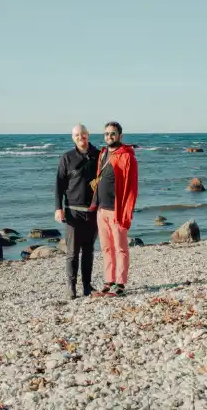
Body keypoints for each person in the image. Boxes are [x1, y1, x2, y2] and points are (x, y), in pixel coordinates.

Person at [91, 121, 138, 297]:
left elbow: (132, 187)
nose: (109, 137)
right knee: (106, 248)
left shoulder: (127, 157)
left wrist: (127, 211)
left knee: (120, 248)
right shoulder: (103, 153)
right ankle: (108, 280)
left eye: (113, 133)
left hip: (117, 210)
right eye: (106, 134)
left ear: (120, 136)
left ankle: (120, 284)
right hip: (101, 209)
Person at [54, 124, 101, 299]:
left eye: (83, 134)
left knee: (89, 251)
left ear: (88, 135)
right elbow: (59, 184)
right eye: (77, 135)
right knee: (72, 252)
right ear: (73, 138)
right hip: (73, 212)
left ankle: (87, 286)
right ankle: (71, 288)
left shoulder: (98, 155)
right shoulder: (67, 158)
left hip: (93, 211)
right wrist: (58, 208)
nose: (81, 137)